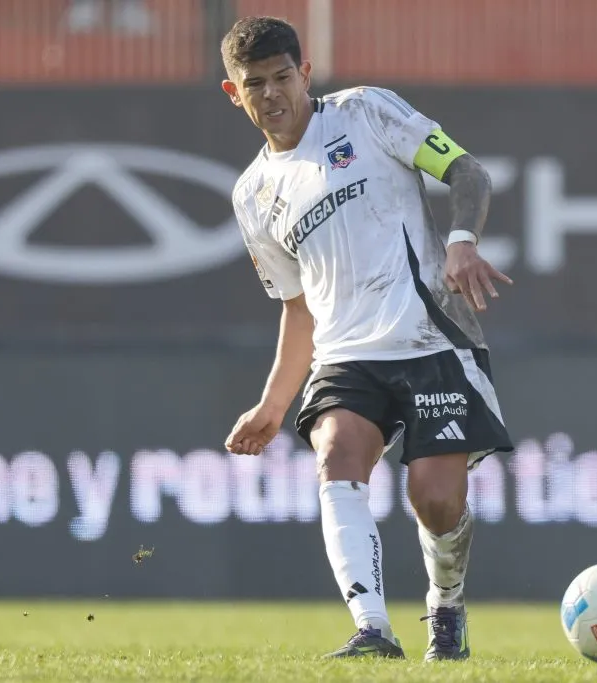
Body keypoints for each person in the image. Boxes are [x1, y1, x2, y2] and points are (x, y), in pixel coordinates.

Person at [219, 16, 514, 662]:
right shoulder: (252, 195)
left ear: (306, 73)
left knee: (434, 500)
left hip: (429, 338)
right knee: (336, 453)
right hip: (345, 355)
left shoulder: (366, 112)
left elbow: (467, 172)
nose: (271, 94)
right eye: (254, 84)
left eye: (281, 77)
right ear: (232, 93)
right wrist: (273, 405)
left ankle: (446, 605)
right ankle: (372, 627)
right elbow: (298, 308)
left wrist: (461, 241)